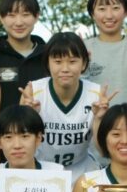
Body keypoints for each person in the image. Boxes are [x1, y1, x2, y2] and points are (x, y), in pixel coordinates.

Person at [20, 32, 111, 181]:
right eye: (58, 61)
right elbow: (20, 145)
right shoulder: (33, 93)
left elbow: (103, 151)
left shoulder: (96, 95)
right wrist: (29, 116)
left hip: (82, 170)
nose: (65, 68)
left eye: (72, 61)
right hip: (40, 170)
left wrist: (99, 119)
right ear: (48, 63)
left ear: (84, 64)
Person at [82, 0, 127, 104]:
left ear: (126, 12)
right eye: (102, 9)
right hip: (95, 120)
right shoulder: (83, 48)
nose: (109, 16)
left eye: (115, 8)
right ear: (92, 14)